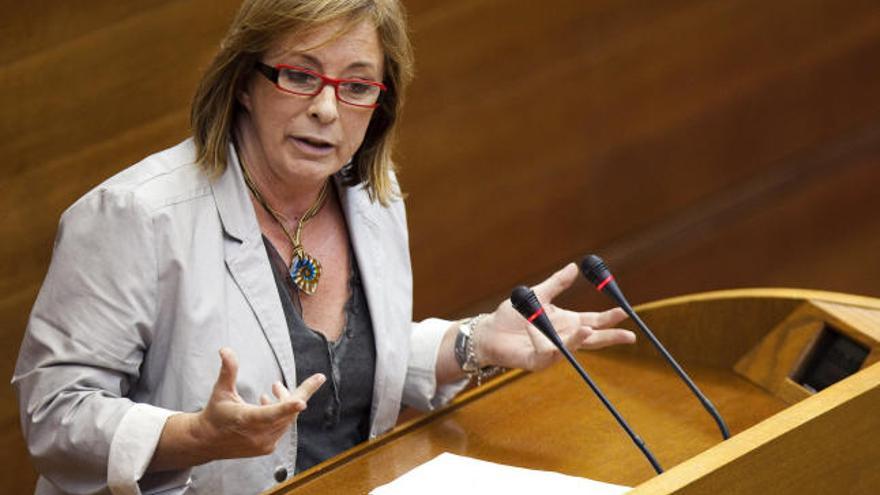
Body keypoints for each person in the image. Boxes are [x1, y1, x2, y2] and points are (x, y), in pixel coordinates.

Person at [12, 1, 635, 493]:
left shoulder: (374, 198)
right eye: (301, 75)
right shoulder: (133, 216)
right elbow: (54, 416)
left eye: (357, 86)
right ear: (245, 83)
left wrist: (470, 344)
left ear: (380, 106)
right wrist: (194, 435)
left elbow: (339, 361)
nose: (326, 109)